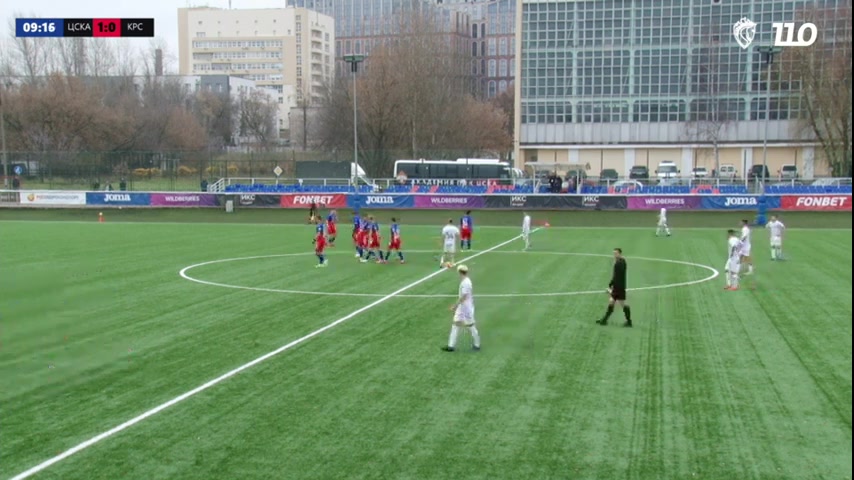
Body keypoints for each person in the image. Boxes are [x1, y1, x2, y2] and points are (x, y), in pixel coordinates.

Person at [442, 264, 481, 352]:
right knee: (455, 323)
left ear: (460, 272)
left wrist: (455, 306)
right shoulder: (465, 281)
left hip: (466, 308)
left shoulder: (466, 283)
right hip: (462, 307)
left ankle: (477, 344)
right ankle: (450, 346)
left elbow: (463, 297)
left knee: (471, 326)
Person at [596, 248, 632, 327]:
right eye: (614, 253)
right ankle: (604, 320)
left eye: (616, 253)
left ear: (620, 253)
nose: (614, 255)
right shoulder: (621, 261)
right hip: (619, 286)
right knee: (612, 301)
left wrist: (610, 287)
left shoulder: (619, 263)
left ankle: (629, 322)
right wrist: (612, 284)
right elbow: (617, 275)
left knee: (622, 303)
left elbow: (617, 276)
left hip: (619, 287)